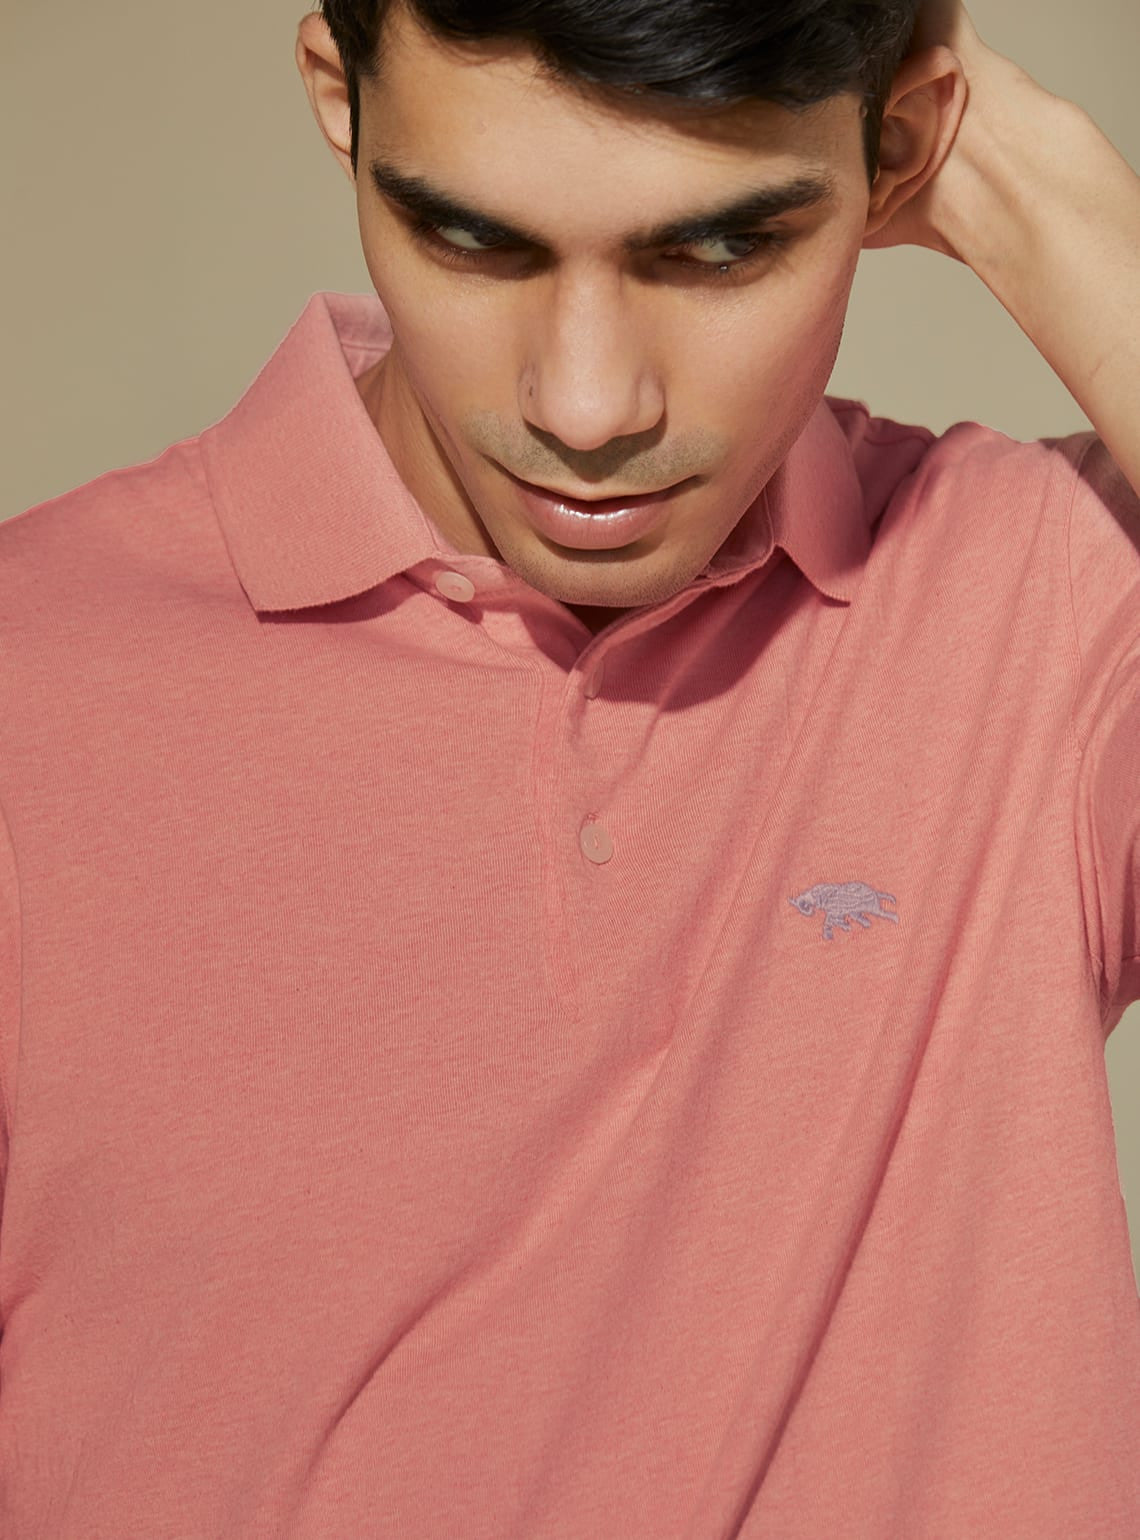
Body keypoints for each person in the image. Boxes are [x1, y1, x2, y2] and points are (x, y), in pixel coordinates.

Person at [1, 0, 1138, 1533]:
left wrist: (1021, 179)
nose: (588, 408)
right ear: (339, 100)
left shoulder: (1043, 607)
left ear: (898, 153)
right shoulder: (28, 680)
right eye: (474, 239)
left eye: (719, 248)